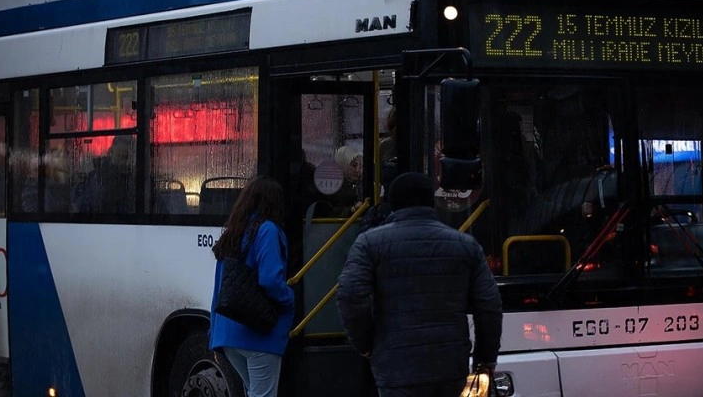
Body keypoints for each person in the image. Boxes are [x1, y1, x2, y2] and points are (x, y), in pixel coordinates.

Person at [336, 172, 503, 397]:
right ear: (431, 202)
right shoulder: (465, 244)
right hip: (450, 365)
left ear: (392, 203)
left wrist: (365, 345)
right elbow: (489, 306)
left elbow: (350, 295)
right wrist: (485, 360)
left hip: (396, 366)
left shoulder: (369, 243)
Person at [209, 175, 295, 397]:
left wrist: (214, 335)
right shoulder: (267, 230)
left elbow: (219, 288)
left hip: (228, 335)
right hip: (258, 334)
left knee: (252, 392)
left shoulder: (234, 231)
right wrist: (289, 297)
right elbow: (270, 280)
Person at [78, 135, 135, 213]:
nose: (124, 162)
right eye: (120, 157)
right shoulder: (97, 177)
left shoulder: (134, 178)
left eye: (127, 157)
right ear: (110, 153)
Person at [330, 145, 364, 216]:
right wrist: (352, 209)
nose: (358, 170)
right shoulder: (331, 185)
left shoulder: (364, 183)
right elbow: (327, 211)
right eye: (354, 165)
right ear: (343, 163)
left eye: (361, 166)